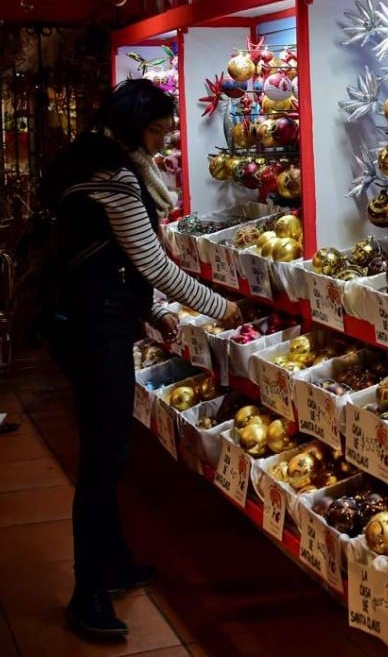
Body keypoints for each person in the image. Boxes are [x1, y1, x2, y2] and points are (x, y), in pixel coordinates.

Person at [42, 79, 243, 639]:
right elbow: (150, 263)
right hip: (94, 329)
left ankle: (113, 563)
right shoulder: (114, 177)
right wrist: (220, 308)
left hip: (91, 318)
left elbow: (111, 259)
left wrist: (152, 314)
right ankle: (88, 593)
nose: (161, 143)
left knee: (111, 448)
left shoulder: (92, 158)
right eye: (155, 131)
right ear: (132, 126)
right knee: (104, 456)